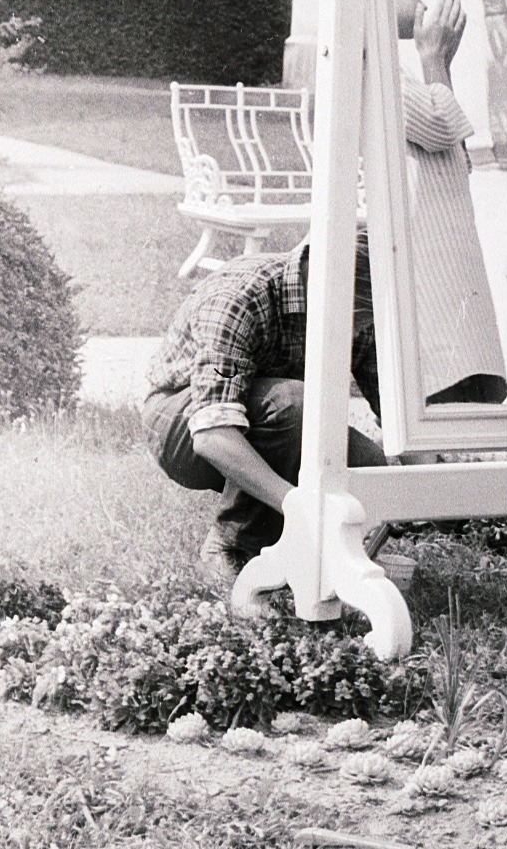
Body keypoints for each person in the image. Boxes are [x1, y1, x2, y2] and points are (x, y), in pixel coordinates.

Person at [142, 242, 387, 589]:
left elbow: (393, 423)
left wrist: (435, 498)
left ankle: (294, 551)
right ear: (318, 280)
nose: (358, 329)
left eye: (365, 318)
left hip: (269, 418)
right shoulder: (240, 296)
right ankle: (229, 547)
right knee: (294, 405)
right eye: (357, 315)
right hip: (182, 420)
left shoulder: (357, 313)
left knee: (369, 466)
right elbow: (212, 435)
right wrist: (297, 504)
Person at [389, 0, 507, 407]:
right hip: (421, 265)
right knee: (447, 386)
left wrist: (437, 64)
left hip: (437, 254)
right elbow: (442, 128)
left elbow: (453, 158)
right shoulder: (372, 64)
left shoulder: (392, 69)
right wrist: (435, 58)